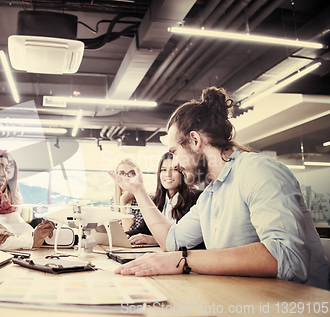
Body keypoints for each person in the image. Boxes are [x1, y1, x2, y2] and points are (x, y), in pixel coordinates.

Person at [110, 86, 329, 290]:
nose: (175, 163)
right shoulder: (211, 195)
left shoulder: (258, 171)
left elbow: (289, 259)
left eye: (175, 151)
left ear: (195, 140)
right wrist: (139, 191)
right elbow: (171, 241)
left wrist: (184, 260)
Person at [127, 152, 202, 247]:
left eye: (174, 170)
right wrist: (127, 235)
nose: (168, 174)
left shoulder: (197, 198)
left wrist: (155, 240)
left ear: (182, 172)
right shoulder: (156, 200)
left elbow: (189, 238)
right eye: (163, 170)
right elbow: (143, 229)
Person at [111, 158, 143, 231]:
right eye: (122, 174)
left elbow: (129, 231)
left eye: (132, 173)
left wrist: (123, 201)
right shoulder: (114, 200)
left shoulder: (146, 200)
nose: (126, 177)